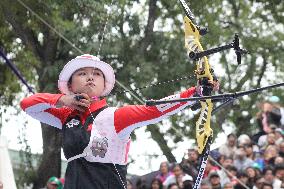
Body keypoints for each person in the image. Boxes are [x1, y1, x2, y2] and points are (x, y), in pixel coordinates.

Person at [20, 54, 220, 189]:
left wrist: (195, 93)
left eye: (96, 74)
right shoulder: (66, 116)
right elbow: (28, 104)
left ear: (104, 84)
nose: (90, 77)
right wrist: (62, 100)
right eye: (82, 73)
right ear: (70, 85)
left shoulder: (115, 116)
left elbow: (154, 110)